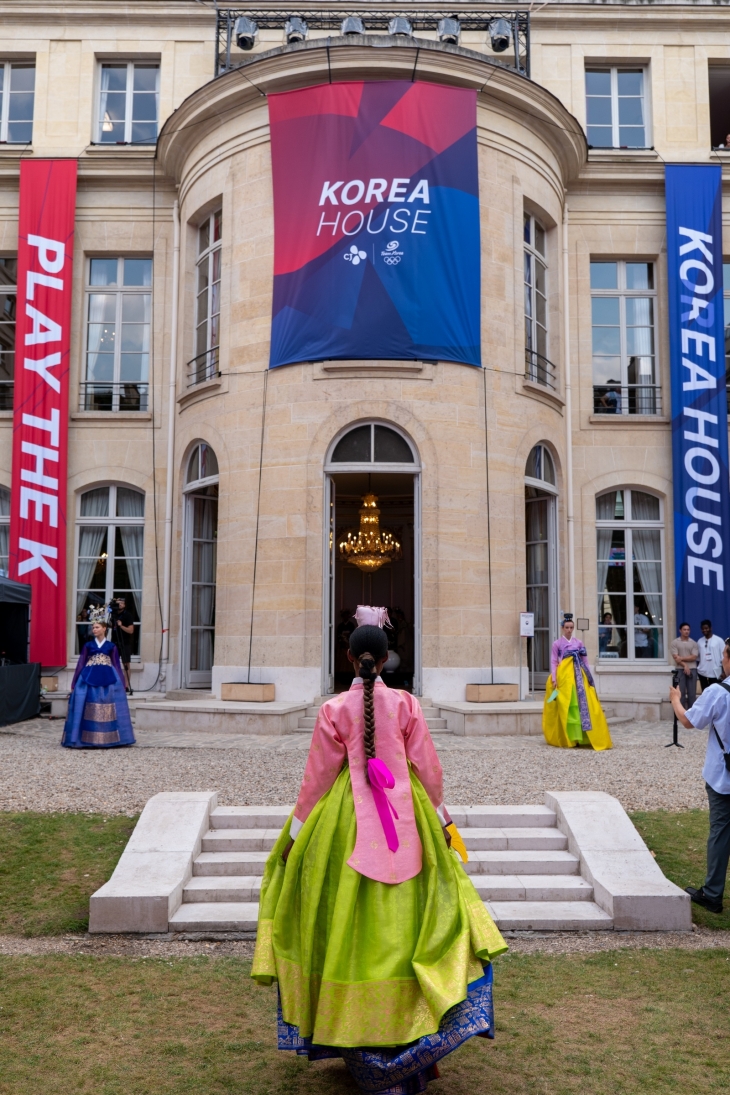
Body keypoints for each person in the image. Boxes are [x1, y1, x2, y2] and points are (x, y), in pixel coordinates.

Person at [252, 619, 507, 1092]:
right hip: (406, 815)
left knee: (347, 932)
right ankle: (413, 1045)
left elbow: (314, 784)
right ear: (386, 660)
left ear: (349, 659)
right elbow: (429, 773)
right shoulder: (406, 703)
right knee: (411, 930)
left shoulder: (333, 709)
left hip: (343, 827)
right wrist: (444, 823)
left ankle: (354, 1039)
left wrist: (293, 839)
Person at [670, 638, 730, 914]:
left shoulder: (718, 692)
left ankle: (713, 893)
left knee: (720, 832)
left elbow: (688, 721)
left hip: (723, 775)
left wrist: (675, 700)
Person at [61, 613, 135, 748]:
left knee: (109, 706)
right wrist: (74, 682)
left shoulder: (111, 646)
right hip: (88, 675)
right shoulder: (88, 645)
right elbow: (80, 664)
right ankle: (84, 738)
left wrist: (122, 683)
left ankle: (111, 738)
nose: (94, 629)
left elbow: (116, 664)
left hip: (109, 676)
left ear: (104, 628)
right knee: (88, 704)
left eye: (97, 627)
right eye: (93, 627)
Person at [542, 613, 612, 750]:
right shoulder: (557, 644)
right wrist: (554, 678)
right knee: (568, 705)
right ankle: (569, 737)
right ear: (563, 628)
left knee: (583, 704)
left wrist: (589, 677)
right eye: (567, 627)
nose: (569, 630)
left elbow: (585, 660)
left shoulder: (578, 643)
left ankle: (583, 736)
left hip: (579, 676)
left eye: (571, 627)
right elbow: (554, 661)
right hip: (564, 677)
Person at [670, 622, 699, 709]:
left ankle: (692, 713)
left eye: (688, 630)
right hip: (679, 669)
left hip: (692, 669)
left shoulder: (693, 643)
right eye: (684, 629)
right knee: (680, 692)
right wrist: (685, 665)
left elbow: (694, 657)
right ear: (680, 630)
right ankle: (681, 713)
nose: (686, 631)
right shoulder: (675, 642)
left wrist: (681, 658)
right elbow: (675, 658)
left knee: (692, 693)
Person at [111, 597, 135, 694]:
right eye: (117, 603)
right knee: (112, 664)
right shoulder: (113, 615)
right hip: (114, 642)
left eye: (121, 603)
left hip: (125, 643)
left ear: (124, 605)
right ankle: (113, 685)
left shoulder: (127, 615)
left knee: (126, 664)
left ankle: (126, 686)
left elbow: (131, 630)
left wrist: (121, 626)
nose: (119, 605)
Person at [697, 619, 725, 693]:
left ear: (710, 628)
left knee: (715, 693)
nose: (704, 630)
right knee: (705, 693)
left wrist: (724, 671)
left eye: (706, 628)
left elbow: (724, 657)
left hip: (716, 672)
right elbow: (698, 658)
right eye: (703, 629)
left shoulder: (719, 640)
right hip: (702, 672)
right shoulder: (700, 641)